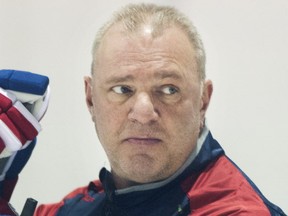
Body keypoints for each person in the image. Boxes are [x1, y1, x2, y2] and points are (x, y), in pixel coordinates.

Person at [0, 3, 286, 216]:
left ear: (203, 101)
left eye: (169, 90)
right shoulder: (87, 206)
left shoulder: (235, 211)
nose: (143, 112)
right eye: (122, 89)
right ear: (90, 100)